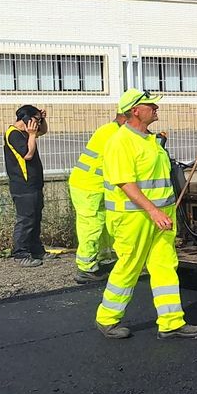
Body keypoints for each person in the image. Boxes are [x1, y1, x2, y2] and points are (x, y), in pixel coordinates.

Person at [94, 88, 197, 340]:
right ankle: (107, 319)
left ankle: (171, 322)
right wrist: (153, 211)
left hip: (160, 217)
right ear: (135, 111)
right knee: (129, 266)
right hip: (133, 218)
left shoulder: (150, 140)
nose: (156, 108)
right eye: (150, 105)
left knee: (165, 266)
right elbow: (126, 183)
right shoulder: (120, 141)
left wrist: (163, 212)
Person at [69, 107, 126, 283]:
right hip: (88, 187)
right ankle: (85, 268)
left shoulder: (111, 130)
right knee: (91, 226)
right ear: (125, 118)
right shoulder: (114, 134)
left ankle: (103, 259)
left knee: (104, 224)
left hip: (95, 186)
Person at [4, 104, 49, 267]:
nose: (37, 123)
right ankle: (21, 253)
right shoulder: (14, 134)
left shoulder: (26, 133)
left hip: (34, 184)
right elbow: (28, 155)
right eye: (36, 120)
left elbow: (43, 131)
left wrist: (42, 119)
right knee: (26, 220)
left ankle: (37, 250)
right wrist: (31, 134)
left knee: (36, 218)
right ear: (26, 119)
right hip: (23, 186)